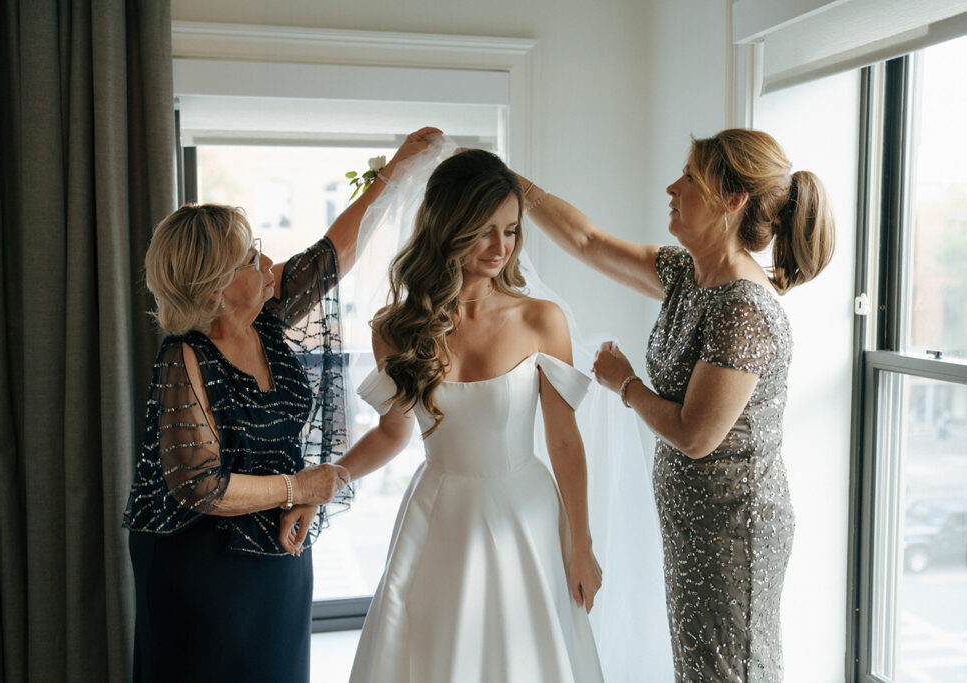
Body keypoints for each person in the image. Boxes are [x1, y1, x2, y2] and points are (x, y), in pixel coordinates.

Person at [121, 126, 441, 683]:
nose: (266, 260)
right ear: (214, 285)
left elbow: (337, 249)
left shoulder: (266, 316)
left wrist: (395, 172)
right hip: (197, 566)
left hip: (277, 545)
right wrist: (301, 487)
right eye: (249, 258)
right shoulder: (183, 358)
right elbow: (201, 486)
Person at [515, 128, 835, 682]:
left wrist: (625, 384)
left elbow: (696, 435)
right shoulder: (687, 275)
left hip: (734, 532)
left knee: (730, 670)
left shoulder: (743, 308)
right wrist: (509, 183)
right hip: (694, 522)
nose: (672, 187)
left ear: (731, 202)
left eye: (689, 178)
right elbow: (588, 242)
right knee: (700, 669)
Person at [281, 149, 605, 682]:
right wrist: (326, 483)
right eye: (484, 231)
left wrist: (583, 546)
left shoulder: (540, 320)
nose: (501, 248)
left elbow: (565, 440)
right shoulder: (395, 329)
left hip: (529, 519)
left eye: (512, 231)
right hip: (442, 516)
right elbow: (392, 433)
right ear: (449, 228)